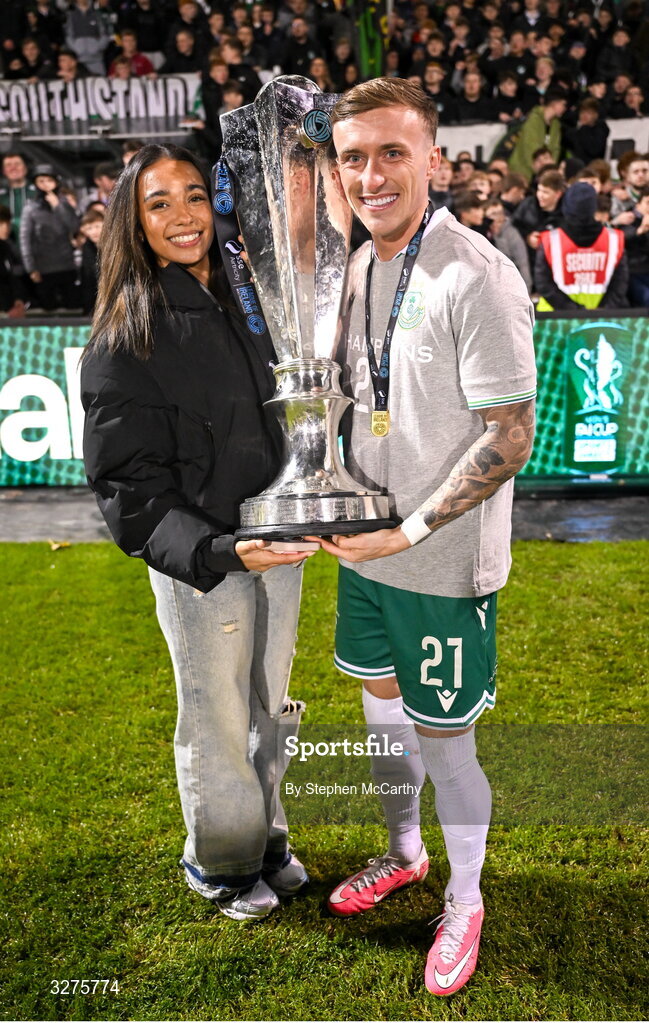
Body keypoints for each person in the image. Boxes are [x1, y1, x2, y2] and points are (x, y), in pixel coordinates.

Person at [318, 78, 536, 996]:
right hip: (364, 554)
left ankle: (465, 898)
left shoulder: (474, 273)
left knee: (446, 744)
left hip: (440, 565)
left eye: (391, 153)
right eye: (352, 158)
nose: (370, 176)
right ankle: (405, 852)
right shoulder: (355, 267)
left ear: (433, 160)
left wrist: (404, 530)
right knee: (381, 715)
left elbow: (510, 434)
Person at [80, 144, 311, 922]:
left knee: (269, 703)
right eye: (159, 203)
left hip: (278, 542)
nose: (184, 216)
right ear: (134, 223)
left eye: (193, 195)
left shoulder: (246, 297)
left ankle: (266, 839)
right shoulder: (125, 335)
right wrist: (217, 550)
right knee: (216, 711)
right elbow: (127, 485)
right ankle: (221, 860)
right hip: (205, 561)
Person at [535, 181, 628, 311]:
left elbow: (543, 284)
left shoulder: (551, 240)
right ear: (593, 207)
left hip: (555, 319)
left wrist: (574, 312)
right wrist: (602, 311)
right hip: (601, 318)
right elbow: (620, 283)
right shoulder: (613, 239)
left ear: (566, 207)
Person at [19, 163, 80, 312]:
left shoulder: (64, 203)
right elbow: (25, 240)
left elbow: (75, 227)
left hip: (67, 264)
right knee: (48, 309)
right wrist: (31, 268)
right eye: (41, 181)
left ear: (56, 182)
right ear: (35, 184)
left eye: (49, 181)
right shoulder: (30, 209)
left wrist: (59, 206)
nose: (46, 185)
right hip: (43, 268)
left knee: (72, 308)